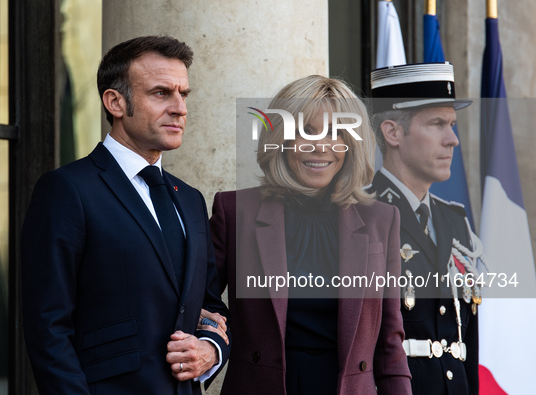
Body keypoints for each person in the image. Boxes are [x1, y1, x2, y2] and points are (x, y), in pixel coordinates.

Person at [21, 35, 230, 395]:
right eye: (161, 93)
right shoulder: (67, 190)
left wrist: (210, 349)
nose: (179, 108)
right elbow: (48, 327)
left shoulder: (191, 199)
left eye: (184, 94)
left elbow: (209, 306)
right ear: (115, 102)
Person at [210, 75, 412, 394]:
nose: (320, 146)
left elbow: (390, 341)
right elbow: (202, 303)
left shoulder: (381, 220)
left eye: (335, 132)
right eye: (305, 131)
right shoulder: (235, 211)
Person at [368, 62, 484, 395]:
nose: (453, 140)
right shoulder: (358, 215)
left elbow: (465, 341)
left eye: (451, 124)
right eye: (437, 124)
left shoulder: (455, 220)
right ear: (393, 133)